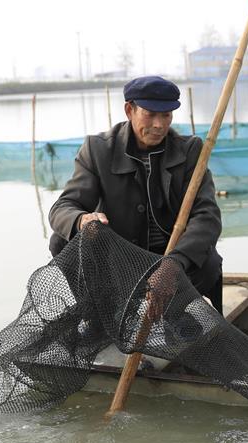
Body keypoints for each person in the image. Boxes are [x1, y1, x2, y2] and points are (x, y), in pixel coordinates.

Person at [49, 75, 223, 312]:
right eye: (150, 114)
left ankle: (176, 311)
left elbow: (207, 216)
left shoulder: (190, 150)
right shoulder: (98, 149)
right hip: (121, 259)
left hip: (173, 257)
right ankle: (100, 315)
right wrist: (82, 220)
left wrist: (174, 263)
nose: (160, 124)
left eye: (166, 115)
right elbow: (63, 207)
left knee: (208, 259)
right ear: (129, 110)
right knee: (61, 241)